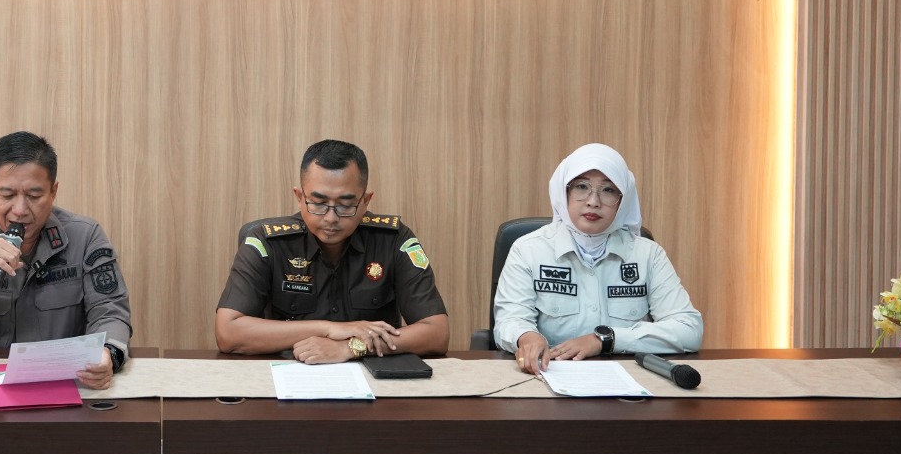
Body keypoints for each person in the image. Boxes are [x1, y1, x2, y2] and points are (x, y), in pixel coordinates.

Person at [0, 131, 131, 390]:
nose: (19, 210)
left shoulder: (85, 237)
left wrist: (107, 353)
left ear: (53, 191)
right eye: (7, 195)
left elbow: (110, 311)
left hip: (62, 386)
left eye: (34, 196)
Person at [215, 139, 450, 363]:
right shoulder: (267, 242)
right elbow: (228, 332)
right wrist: (328, 329)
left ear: (365, 201)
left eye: (345, 205)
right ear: (299, 197)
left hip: (373, 373)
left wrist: (350, 347)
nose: (331, 218)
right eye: (318, 203)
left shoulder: (393, 240)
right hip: (290, 370)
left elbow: (436, 333)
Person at [494, 143, 703, 374]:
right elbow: (509, 320)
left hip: (629, 378)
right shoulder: (528, 250)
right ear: (564, 192)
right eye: (582, 186)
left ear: (623, 200)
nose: (593, 201)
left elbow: (688, 330)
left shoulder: (648, 255)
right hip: (550, 374)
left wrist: (606, 340)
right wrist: (526, 336)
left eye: (608, 190)